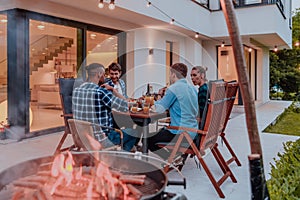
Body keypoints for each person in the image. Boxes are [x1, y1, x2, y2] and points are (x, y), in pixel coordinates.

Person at [72, 63, 136, 151]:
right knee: (133, 132)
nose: (105, 78)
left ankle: (117, 154)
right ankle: (119, 157)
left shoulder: (76, 91)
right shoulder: (100, 92)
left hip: (81, 138)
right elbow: (124, 106)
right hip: (101, 139)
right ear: (99, 74)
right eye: (104, 75)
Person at [148, 63, 199, 160]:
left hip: (180, 133)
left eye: (170, 74)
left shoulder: (173, 88)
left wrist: (158, 97)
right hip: (193, 131)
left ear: (173, 75)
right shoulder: (193, 89)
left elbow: (159, 109)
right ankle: (175, 157)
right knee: (161, 131)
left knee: (148, 139)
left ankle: (170, 159)